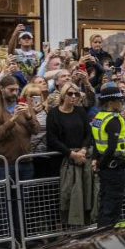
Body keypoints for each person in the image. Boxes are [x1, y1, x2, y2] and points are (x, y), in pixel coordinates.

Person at [48, 82, 96, 227]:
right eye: (70, 94)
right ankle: (67, 225)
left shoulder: (80, 111)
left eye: (76, 94)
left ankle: (87, 222)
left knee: (87, 190)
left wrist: (83, 149)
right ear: (63, 95)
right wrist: (71, 154)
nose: (74, 97)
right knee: (69, 192)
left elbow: (88, 133)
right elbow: (52, 139)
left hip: (82, 156)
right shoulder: (54, 114)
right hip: (64, 159)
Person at [90, 82, 125, 227]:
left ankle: (101, 233)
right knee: (113, 205)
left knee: (105, 203)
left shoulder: (99, 117)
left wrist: (96, 160)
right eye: (119, 100)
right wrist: (102, 164)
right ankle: (106, 235)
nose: (122, 103)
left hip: (106, 167)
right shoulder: (113, 120)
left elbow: (96, 142)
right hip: (113, 167)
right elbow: (111, 147)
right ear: (110, 102)